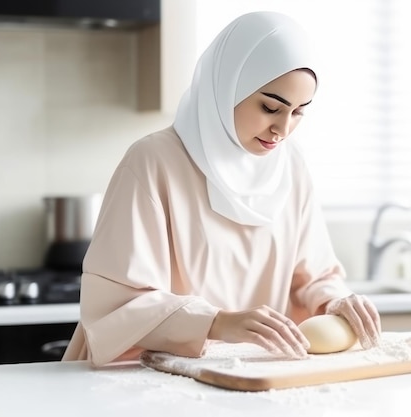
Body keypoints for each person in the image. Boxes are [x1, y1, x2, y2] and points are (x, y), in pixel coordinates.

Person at [62, 11, 381, 367]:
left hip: (247, 375)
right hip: (148, 380)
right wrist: (217, 322)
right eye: (270, 107)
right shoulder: (153, 161)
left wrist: (334, 299)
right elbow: (116, 307)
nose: (283, 129)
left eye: (299, 112)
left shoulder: (291, 166)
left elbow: (313, 276)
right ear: (228, 85)